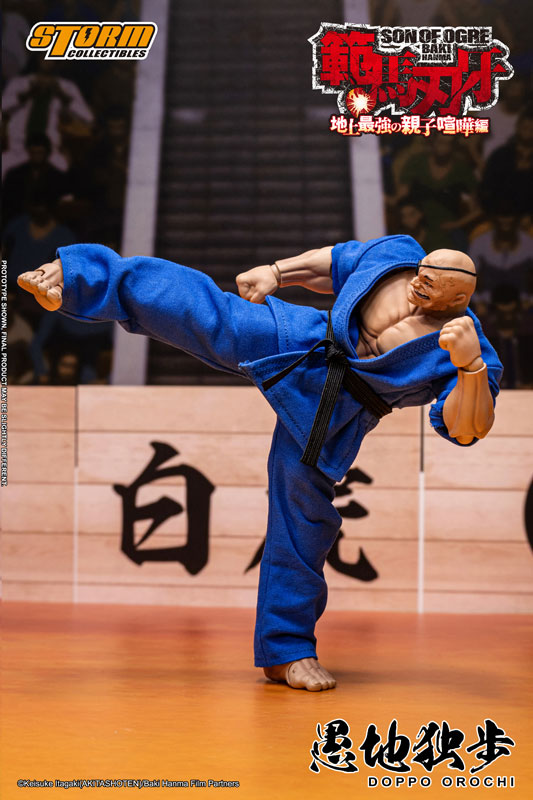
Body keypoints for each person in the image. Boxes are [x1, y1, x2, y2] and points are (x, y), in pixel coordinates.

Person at [18, 234, 502, 691]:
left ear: (458, 300)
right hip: (307, 339)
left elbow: (466, 428)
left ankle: (286, 650)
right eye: (421, 274)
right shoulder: (397, 254)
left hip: (336, 409)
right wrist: (277, 272)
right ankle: (77, 276)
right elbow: (332, 263)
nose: (419, 283)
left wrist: (470, 367)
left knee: (304, 515)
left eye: (432, 285)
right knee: (212, 313)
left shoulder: (471, 347)